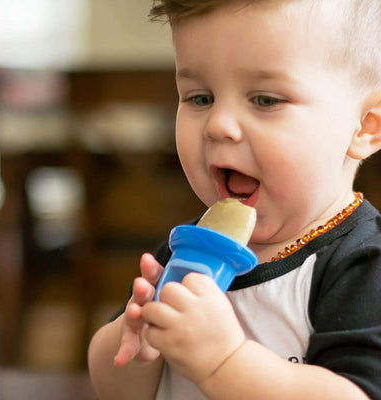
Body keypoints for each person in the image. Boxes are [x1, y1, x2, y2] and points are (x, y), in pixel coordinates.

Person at [88, 0, 381, 399]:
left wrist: (223, 361)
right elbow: (117, 391)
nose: (219, 125)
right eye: (200, 98)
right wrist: (137, 344)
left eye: (265, 100)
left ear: (364, 128)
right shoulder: (188, 251)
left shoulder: (362, 265)